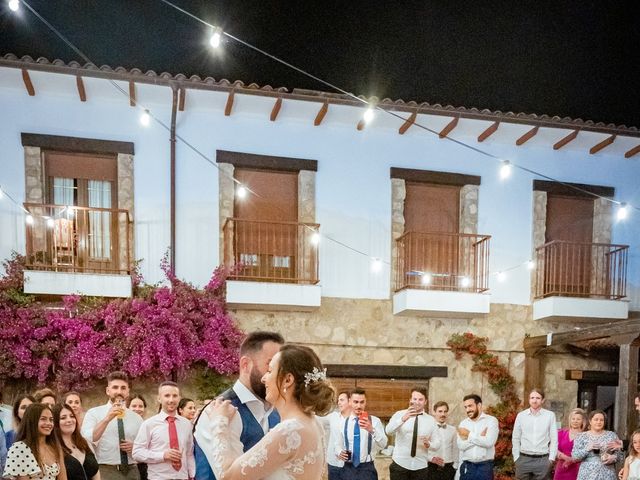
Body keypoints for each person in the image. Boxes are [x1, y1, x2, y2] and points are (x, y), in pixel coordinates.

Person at [206, 343, 335, 479]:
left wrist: (219, 423)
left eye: (270, 371)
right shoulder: (314, 423)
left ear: (287, 380)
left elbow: (228, 477)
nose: (263, 378)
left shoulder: (290, 430)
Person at [194, 331, 284, 480]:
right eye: (270, 365)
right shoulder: (218, 411)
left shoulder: (276, 411)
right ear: (246, 364)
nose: (277, 374)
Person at [81, 371, 143, 480]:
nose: (119, 391)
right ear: (108, 391)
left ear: (128, 391)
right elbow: (87, 440)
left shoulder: (137, 418)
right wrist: (107, 419)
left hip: (132, 471)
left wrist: (136, 448)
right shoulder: (94, 413)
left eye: (123, 388)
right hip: (106, 470)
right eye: (115, 387)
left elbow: (145, 447)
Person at [132, 382, 195, 480]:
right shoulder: (149, 424)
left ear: (179, 398)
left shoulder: (186, 424)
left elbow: (189, 454)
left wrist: (192, 475)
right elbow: (137, 453)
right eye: (167, 395)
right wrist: (162, 455)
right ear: (159, 398)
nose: (171, 400)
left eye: (175, 396)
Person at [333, 387, 388, 479]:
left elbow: (383, 444)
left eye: (362, 402)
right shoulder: (342, 422)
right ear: (350, 401)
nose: (359, 406)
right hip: (347, 468)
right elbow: (337, 445)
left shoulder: (375, 421)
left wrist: (371, 430)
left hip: (368, 469)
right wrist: (339, 452)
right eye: (355, 402)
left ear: (365, 402)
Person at [386, 386, 439, 480]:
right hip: (399, 465)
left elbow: (437, 444)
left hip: (421, 467)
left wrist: (429, 444)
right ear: (410, 400)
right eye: (415, 399)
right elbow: (388, 431)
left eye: (420, 399)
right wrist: (403, 419)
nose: (417, 402)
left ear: (425, 401)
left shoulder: (431, 420)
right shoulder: (399, 414)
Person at [3, 403, 67, 480]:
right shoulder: (19, 448)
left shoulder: (55, 448)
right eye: (43, 419)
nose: (48, 423)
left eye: (51, 420)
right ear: (32, 421)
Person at [512, 388, 558, 479]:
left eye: (538, 398)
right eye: (532, 398)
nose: (534, 400)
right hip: (523, 459)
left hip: (543, 460)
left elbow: (554, 439)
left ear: (543, 400)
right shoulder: (521, 416)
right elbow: (516, 438)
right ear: (529, 399)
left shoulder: (550, 416)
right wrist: (516, 457)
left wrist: (551, 459)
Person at [457, 394, 499, 480]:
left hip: (485, 467)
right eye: (465, 407)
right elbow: (461, 446)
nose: (467, 409)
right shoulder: (463, 424)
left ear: (479, 405)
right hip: (467, 467)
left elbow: (489, 442)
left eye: (470, 406)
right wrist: (480, 437)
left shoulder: (491, 421)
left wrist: (468, 434)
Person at [52, 404, 100, 480]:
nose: (69, 420)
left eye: (72, 416)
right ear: (55, 422)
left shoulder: (85, 442)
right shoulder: (53, 449)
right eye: (63, 418)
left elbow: (96, 473)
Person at [572, 410, 623, 480]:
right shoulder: (581, 436)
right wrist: (587, 449)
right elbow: (575, 457)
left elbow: (621, 455)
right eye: (596, 420)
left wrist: (613, 458)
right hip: (587, 474)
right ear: (590, 421)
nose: (599, 422)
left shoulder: (611, 435)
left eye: (601, 420)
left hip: (607, 473)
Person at [318, 390, 351, 480]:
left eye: (342, 400)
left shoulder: (356, 420)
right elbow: (318, 420)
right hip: (333, 463)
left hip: (350, 465)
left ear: (350, 401)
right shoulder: (333, 416)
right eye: (338, 401)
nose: (339, 403)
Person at [427, 401, 458, 480]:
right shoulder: (428, 429)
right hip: (431, 468)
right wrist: (431, 459)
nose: (443, 414)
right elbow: (422, 450)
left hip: (448, 469)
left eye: (445, 411)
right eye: (440, 411)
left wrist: (455, 467)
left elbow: (455, 449)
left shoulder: (453, 430)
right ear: (434, 412)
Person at [554, 408, 587, 480]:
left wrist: (572, 460)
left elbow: (587, 452)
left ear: (583, 421)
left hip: (578, 469)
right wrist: (565, 457)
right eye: (573, 418)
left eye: (578, 419)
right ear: (570, 420)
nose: (575, 421)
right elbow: (554, 449)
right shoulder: (561, 433)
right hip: (561, 467)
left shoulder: (586, 436)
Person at [127, 395, 148, 480]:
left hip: (144, 466)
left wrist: (135, 447)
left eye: (140, 406)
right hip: (128, 467)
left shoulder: (148, 425)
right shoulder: (122, 425)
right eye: (134, 406)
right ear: (128, 408)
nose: (137, 409)